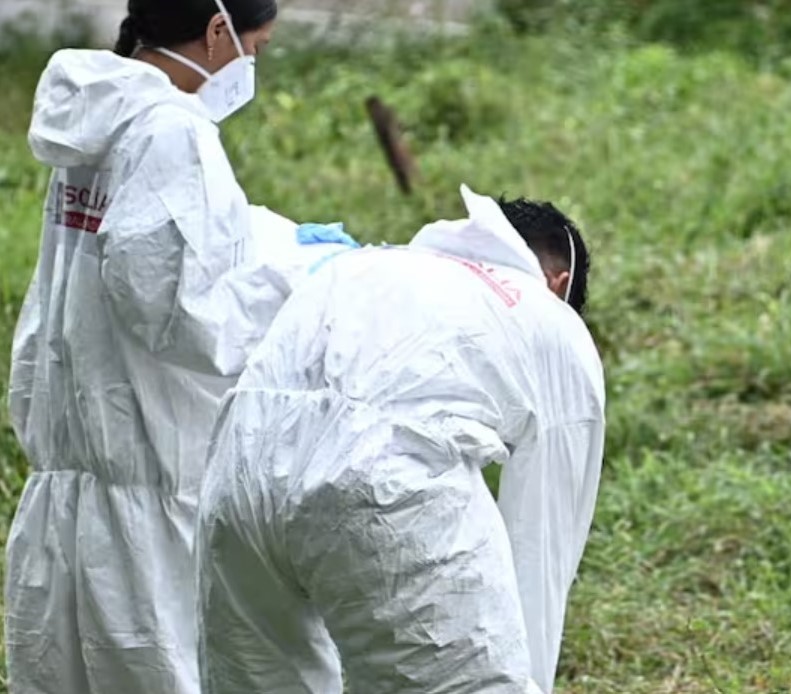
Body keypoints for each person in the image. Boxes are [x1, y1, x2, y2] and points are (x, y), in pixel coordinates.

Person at [5, 1, 356, 692]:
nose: (251, 64)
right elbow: (180, 314)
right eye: (256, 45)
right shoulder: (170, 130)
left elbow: (134, 253)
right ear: (219, 31)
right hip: (146, 478)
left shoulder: (100, 119)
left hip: (77, 469)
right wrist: (294, 279)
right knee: (156, 668)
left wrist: (260, 240)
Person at [196, 185, 607, 694]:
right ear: (558, 282)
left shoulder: (368, 265)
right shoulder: (554, 322)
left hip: (237, 475)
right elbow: (544, 536)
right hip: (384, 487)